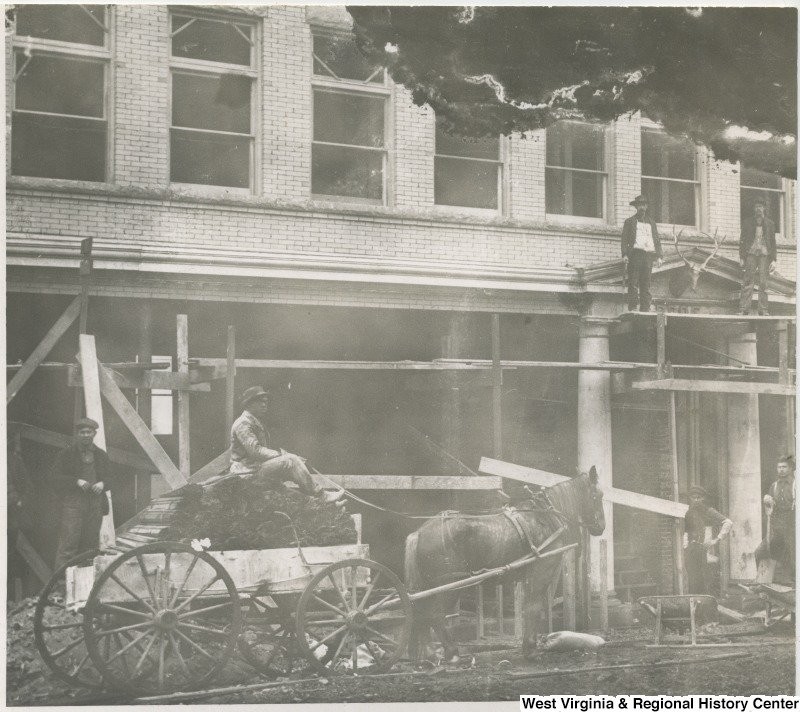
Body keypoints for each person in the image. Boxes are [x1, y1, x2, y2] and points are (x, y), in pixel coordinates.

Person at [225, 386, 344, 504]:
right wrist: (283, 455)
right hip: (246, 474)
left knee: (288, 493)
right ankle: (321, 495)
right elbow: (256, 451)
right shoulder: (243, 423)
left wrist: (286, 455)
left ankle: (325, 506)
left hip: (254, 470)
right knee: (291, 461)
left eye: (265, 402)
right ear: (249, 404)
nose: (264, 405)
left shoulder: (253, 421)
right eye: (260, 402)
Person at [52, 418, 111, 569]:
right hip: (73, 504)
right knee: (68, 546)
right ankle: (61, 587)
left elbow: (113, 477)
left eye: (88, 432)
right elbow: (54, 478)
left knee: (90, 546)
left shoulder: (101, 455)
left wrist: (103, 483)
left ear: (94, 433)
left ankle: (86, 588)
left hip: (95, 504)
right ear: (78, 434)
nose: (85, 435)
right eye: (82, 432)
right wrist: (75, 481)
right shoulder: (66, 454)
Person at [683, 485, 732, 596]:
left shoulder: (708, 511)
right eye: (693, 497)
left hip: (704, 550)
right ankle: (694, 607)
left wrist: (717, 539)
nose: (696, 500)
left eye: (698, 497)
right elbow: (686, 531)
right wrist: (685, 547)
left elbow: (728, 522)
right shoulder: (689, 512)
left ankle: (706, 607)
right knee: (692, 580)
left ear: (702, 498)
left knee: (705, 580)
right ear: (690, 498)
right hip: (691, 550)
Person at [755, 456, 795, 582]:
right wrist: (767, 500)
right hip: (777, 529)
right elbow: (769, 506)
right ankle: (764, 581)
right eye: (779, 467)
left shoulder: (795, 484)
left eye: (784, 467)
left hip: (793, 528)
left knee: (793, 558)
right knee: (760, 552)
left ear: (791, 468)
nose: (781, 470)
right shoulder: (774, 486)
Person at [622, 194, 663, 312]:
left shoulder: (652, 223)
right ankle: (633, 307)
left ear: (647, 207)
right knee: (633, 282)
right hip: (635, 255)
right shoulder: (630, 222)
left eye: (644, 205)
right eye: (640, 205)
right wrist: (625, 254)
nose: (642, 208)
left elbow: (656, 239)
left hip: (648, 256)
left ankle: (646, 307)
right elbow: (624, 239)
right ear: (636, 207)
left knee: (646, 283)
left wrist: (659, 256)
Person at [739, 197, 777, 316]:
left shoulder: (770, 224)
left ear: (764, 208)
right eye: (756, 207)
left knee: (763, 282)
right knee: (748, 281)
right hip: (751, 254)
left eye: (760, 206)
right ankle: (744, 309)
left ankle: (763, 310)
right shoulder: (747, 222)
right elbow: (742, 240)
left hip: (764, 256)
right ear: (753, 209)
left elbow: (773, 242)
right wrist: (741, 257)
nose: (758, 209)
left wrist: (774, 260)